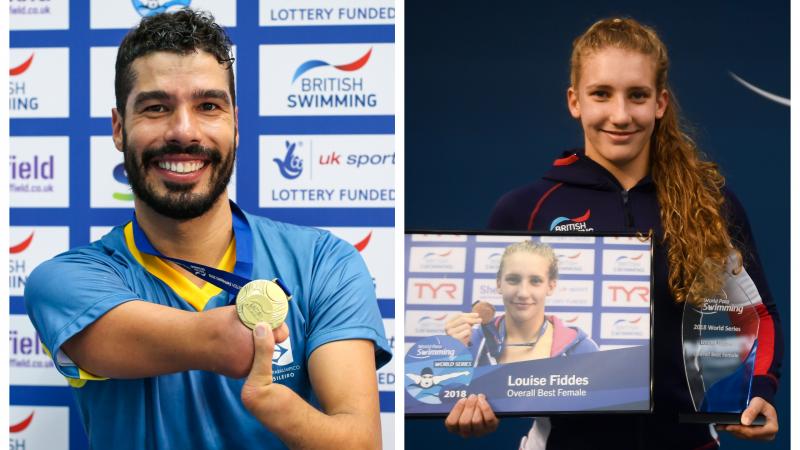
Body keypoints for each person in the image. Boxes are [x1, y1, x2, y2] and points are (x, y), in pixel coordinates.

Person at [24, 9, 390, 450]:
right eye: (156, 107)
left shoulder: (324, 263)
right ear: (119, 128)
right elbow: (215, 340)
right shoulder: (65, 280)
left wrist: (273, 401)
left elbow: (360, 442)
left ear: (236, 123)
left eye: (208, 106)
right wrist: (235, 338)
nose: (183, 130)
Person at [445, 17, 782, 448]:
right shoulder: (525, 209)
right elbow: (484, 330)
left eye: (637, 96)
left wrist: (759, 393)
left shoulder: (709, 203)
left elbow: (759, 314)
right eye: (601, 94)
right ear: (574, 101)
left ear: (660, 103)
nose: (620, 115)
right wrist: (472, 398)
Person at [445, 241, 597, 366]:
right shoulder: (470, 344)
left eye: (535, 281)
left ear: (551, 286)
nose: (523, 293)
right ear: (499, 283)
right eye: (513, 280)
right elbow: (438, 398)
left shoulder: (582, 350)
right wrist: (449, 356)